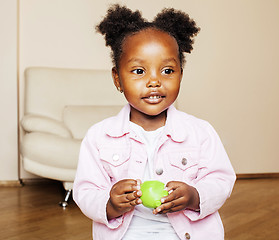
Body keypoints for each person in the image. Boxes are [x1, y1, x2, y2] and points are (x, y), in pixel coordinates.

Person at [73, 4, 236, 240]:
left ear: (181, 73)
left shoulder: (201, 132)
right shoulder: (99, 137)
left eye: (167, 71)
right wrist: (110, 203)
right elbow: (85, 190)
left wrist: (194, 196)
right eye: (139, 71)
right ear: (117, 79)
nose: (154, 81)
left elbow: (221, 180)